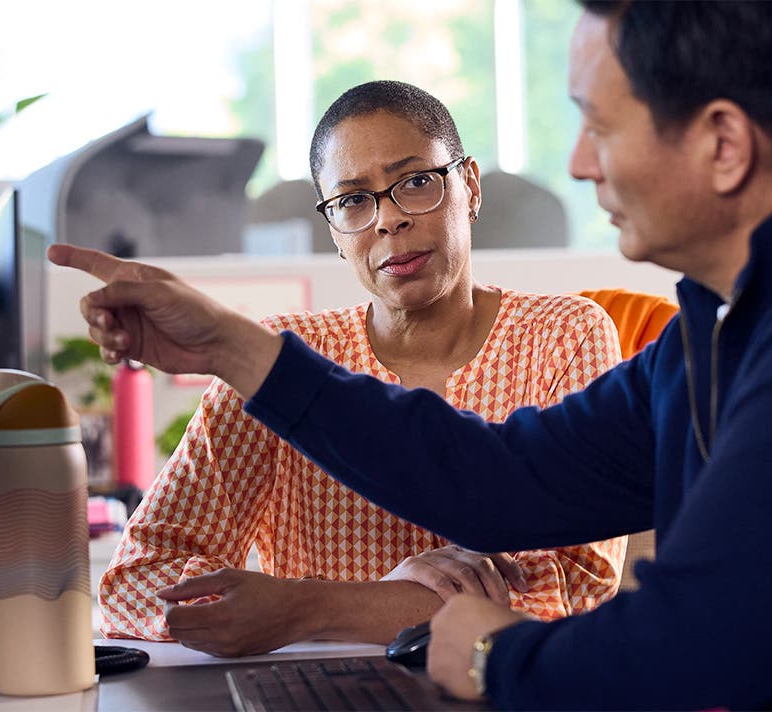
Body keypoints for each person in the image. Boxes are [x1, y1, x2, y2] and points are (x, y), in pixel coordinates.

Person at [50, 2, 772, 709]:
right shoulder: (729, 322)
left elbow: (702, 639)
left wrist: (490, 651)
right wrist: (236, 347)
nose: (578, 164)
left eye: (600, 125)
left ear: (724, 143)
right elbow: (501, 478)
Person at [96, 80, 628, 655]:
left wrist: (307, 609)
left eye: (417, 182)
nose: (389, 220)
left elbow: (575, 588)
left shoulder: (563, 336)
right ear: (333, 229)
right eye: (353, 200)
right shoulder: (278, 357)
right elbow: (135, 580)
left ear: (469, 186)